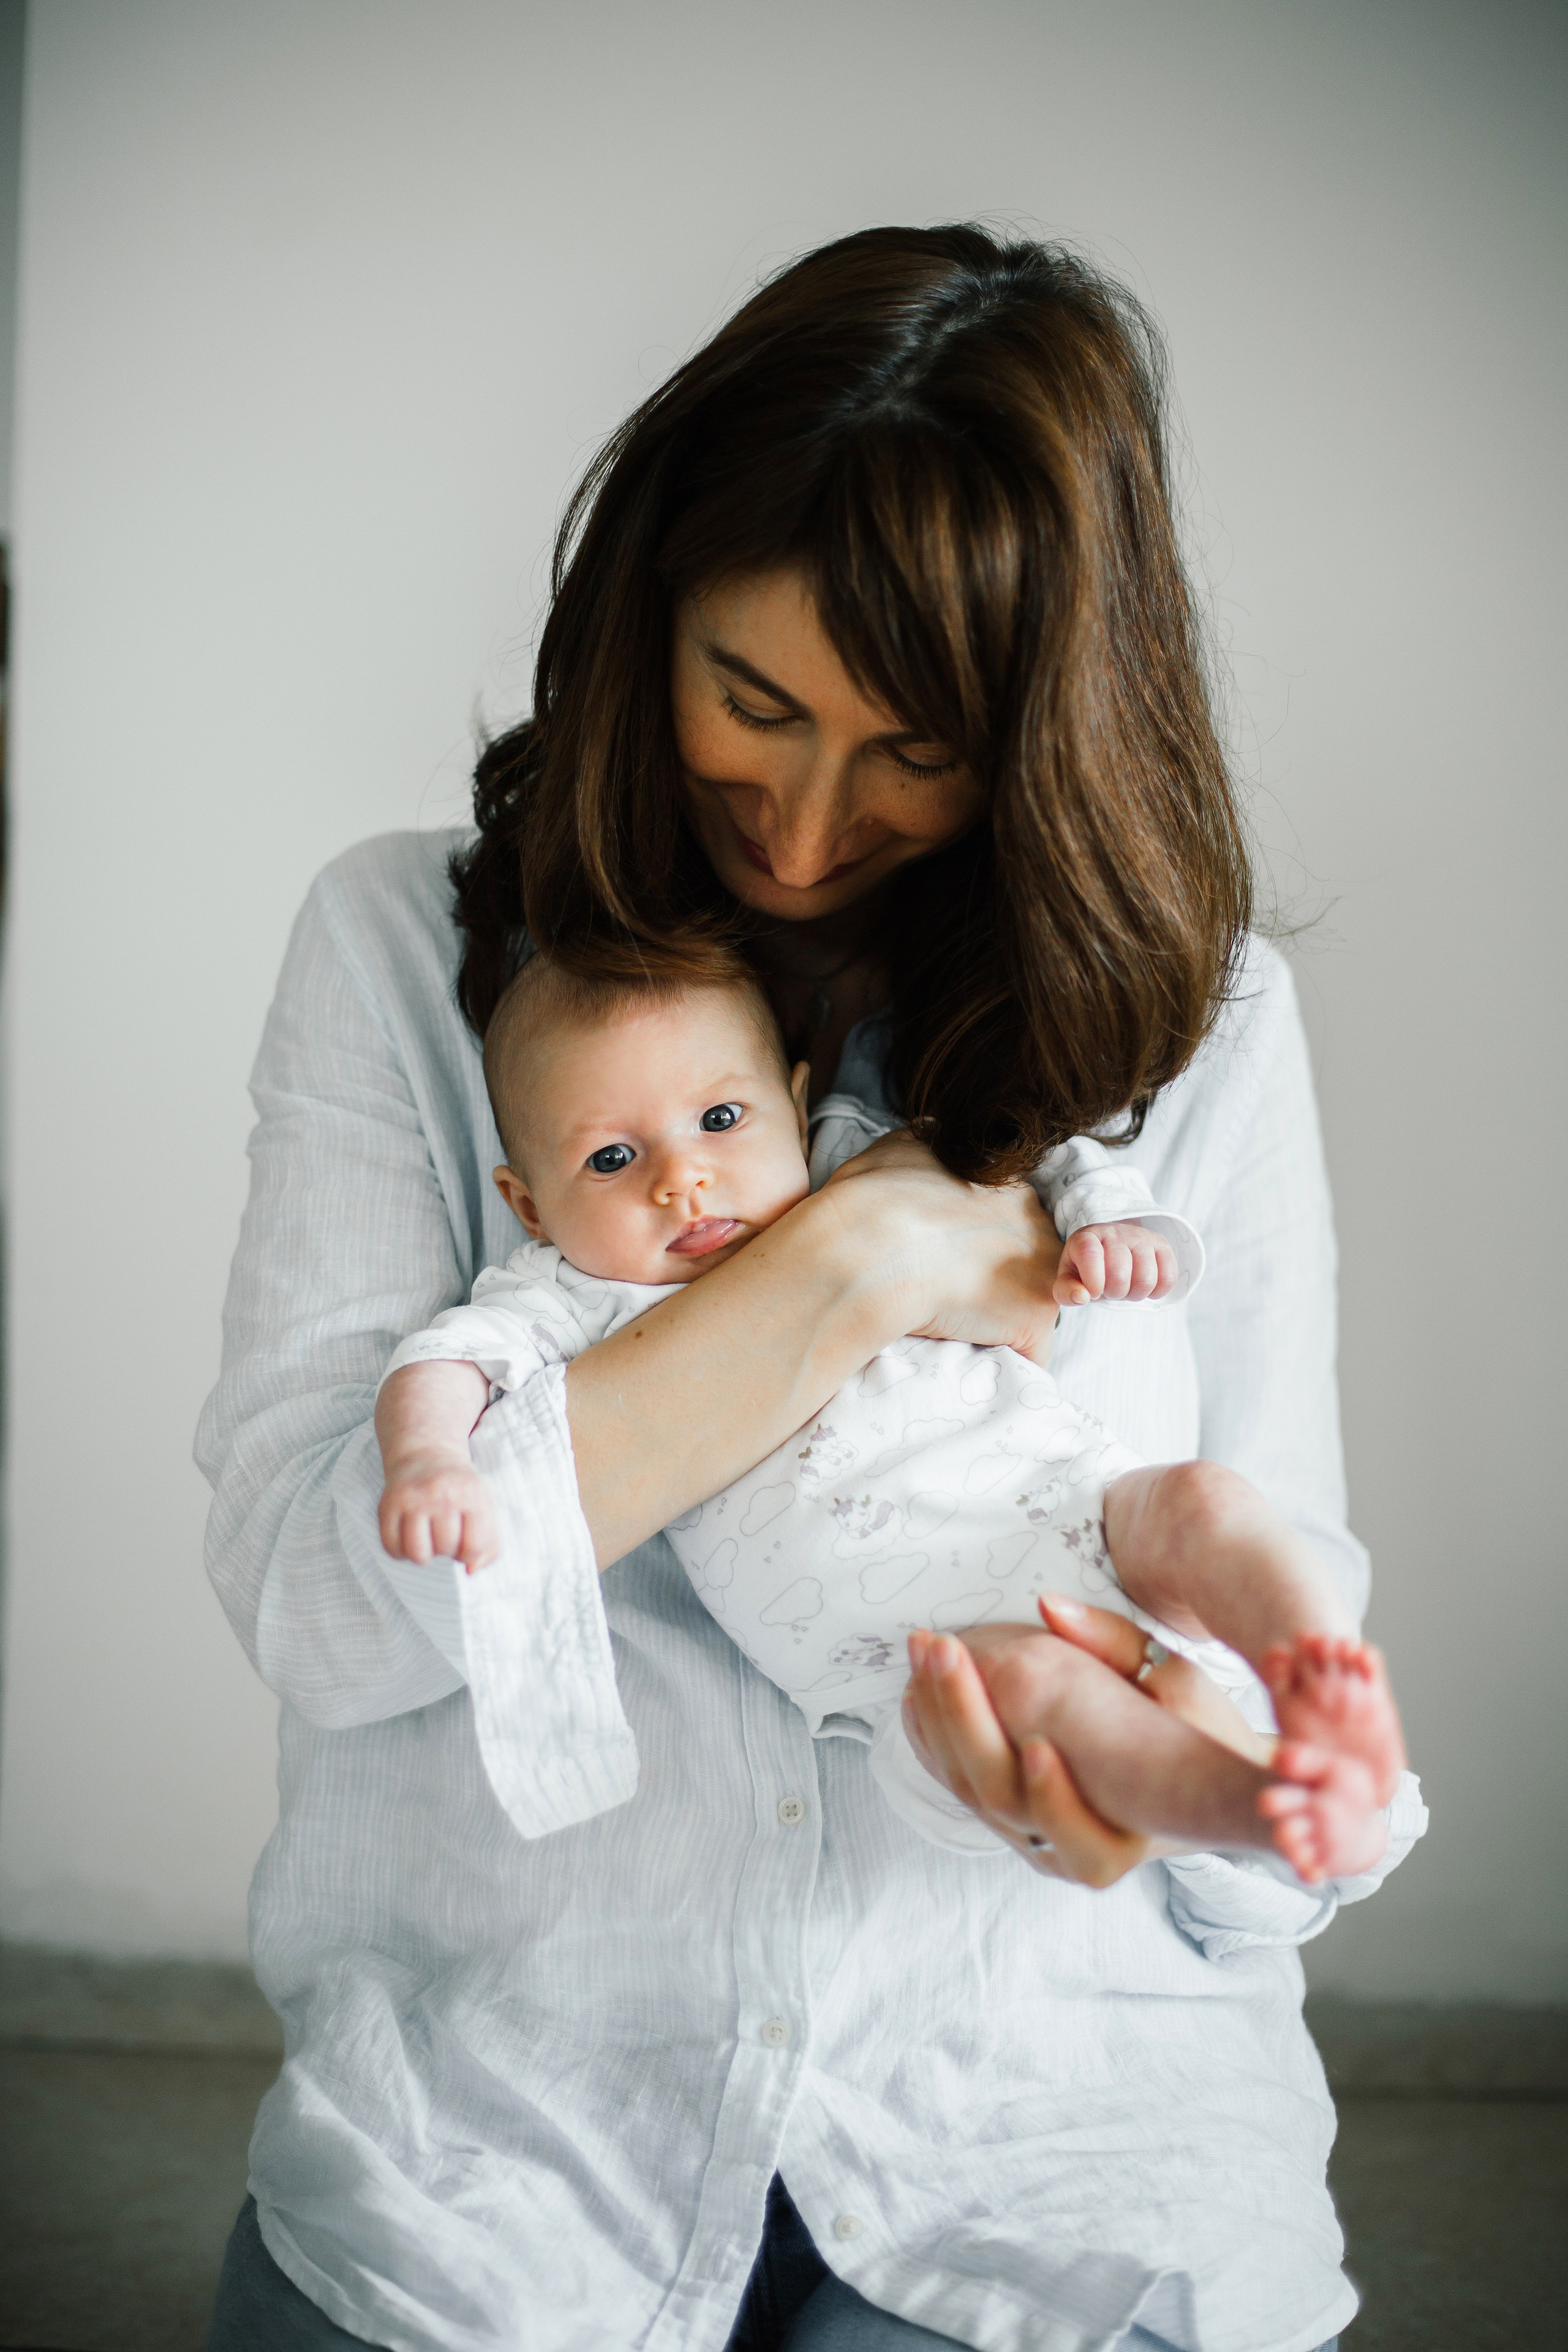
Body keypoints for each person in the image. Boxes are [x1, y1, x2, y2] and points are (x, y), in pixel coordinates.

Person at [198, 225, 1426, 2351]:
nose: (798, 827)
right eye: (749, 701)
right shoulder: (407, 957)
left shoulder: (1201, 1035)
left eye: (913, 749)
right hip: (505, 2141)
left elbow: (1278, 1724)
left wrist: (1182, 1797)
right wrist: (857, 1260)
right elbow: (318, 1601)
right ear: (643, 611)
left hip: (1054, 2134)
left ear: (1045, 730)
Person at [375, 952, 1405, 1882]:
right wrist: (430, 1463)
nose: (682, 1180)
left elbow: (1047, 1158)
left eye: (721, 1121)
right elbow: (444, 1362)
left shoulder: (855, 1172)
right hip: (929, 1661)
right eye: (610, 1161)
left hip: (1077, 1505)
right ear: (529, 1204)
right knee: (1051, 1704)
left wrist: (1114, 1224)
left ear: (792, 1101)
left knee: (1202, 1499)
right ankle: (1261, 1805)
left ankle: (1316, 1679)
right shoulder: (570, 1296)